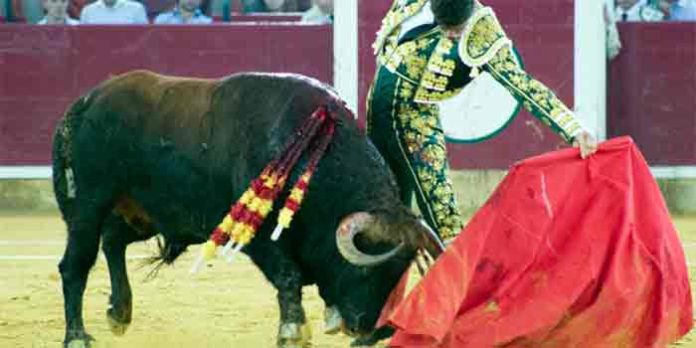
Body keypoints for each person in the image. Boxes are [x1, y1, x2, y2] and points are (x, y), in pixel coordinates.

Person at [366, 0, 597, 242]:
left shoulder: (482, 31)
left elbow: (523, 85)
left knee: (443, 215)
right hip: (378, 106)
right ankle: (384, 275)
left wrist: (573, 127)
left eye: (457, 27)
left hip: (415, 118)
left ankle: (460, 278)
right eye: (445, 26)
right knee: (384, 201)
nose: (450, 34)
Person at [80, 0, 149, 24]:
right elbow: (84, 39)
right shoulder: (88, 10)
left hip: (129, 54)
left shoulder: (137, 8)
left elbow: (143, 37)